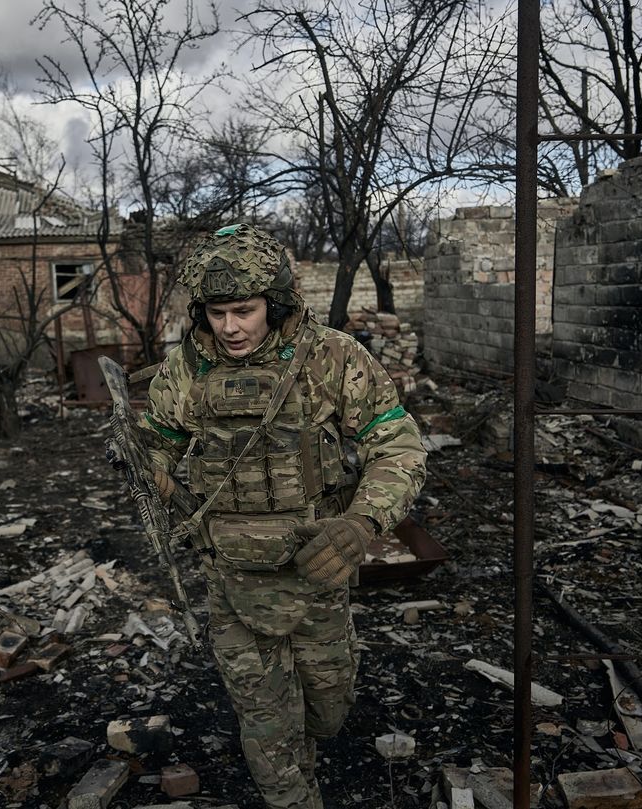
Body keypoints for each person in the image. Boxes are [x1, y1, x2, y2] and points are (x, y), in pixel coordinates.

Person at [139, 224, 427, 809]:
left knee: (329, 708)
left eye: (243, 311)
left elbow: (397, 445)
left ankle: (311, 743)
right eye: (216, 313)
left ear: (275, 302)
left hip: (317, 576)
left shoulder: (332, 358)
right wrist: (149, 468)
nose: (230, 327)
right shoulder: (184, 371)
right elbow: (156, 446)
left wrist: (362, 522)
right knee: (269, 729)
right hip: (232, 581)